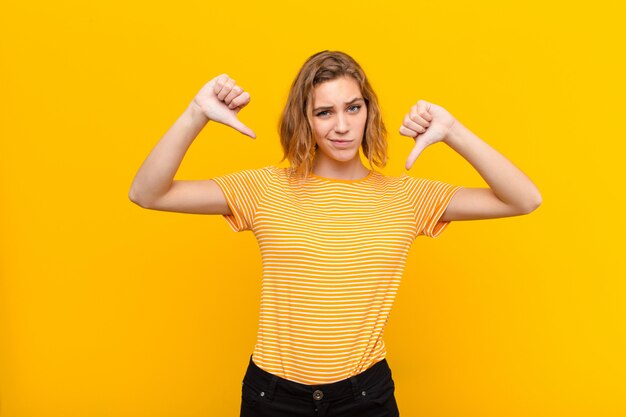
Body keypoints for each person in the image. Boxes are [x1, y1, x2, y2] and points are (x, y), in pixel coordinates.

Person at [128, 50, 542, 417]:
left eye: (353, 108)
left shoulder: (407, 197)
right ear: (303, 120)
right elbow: (147, 192)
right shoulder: (264, 188)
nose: (342, 126)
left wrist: (453, 131)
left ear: (369, 112)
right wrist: (195, 113)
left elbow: (524, 199)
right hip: (273, 398)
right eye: (324, 112)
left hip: (364, 396)